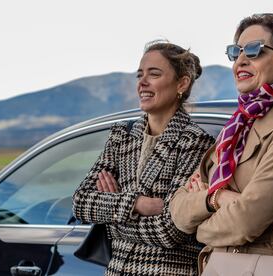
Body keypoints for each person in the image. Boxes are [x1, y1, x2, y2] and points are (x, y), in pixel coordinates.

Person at [170, 13, 273, 276]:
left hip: (266, 266)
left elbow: (245, 222)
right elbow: (178, 211)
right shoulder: (236, 127)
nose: (241, 60)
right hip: (219, 265)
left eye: (254, 51)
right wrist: (216, 200)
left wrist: (204, 212)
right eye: (236, 51)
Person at [73, 41, 215, 275]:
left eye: (154, 74)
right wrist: (138, 204)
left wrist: (112, 214)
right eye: (140, 75)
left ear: (181, 83)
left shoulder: (195, 143)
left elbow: (170, 231)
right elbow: (81, 201)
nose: (142, 82)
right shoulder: (122, 136)